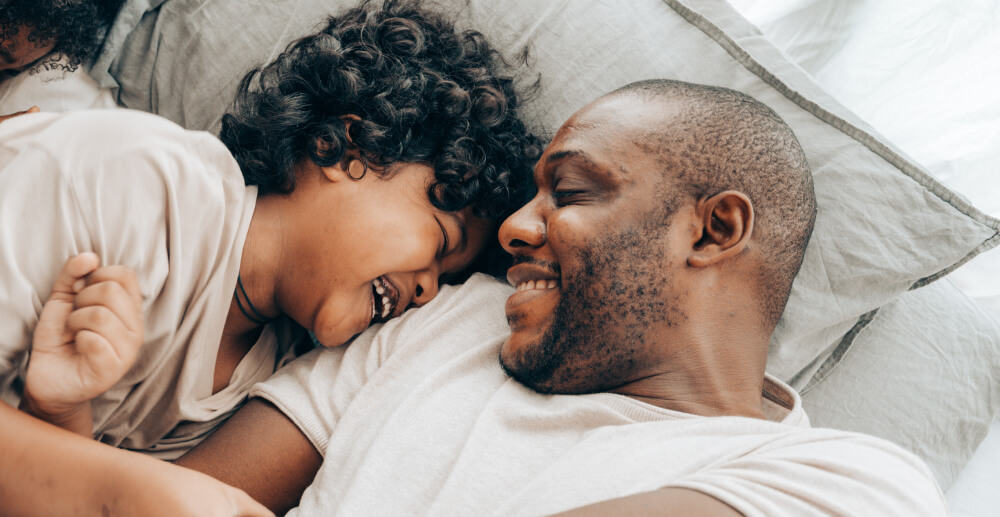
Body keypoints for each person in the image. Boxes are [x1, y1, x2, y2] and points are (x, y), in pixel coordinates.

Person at [175, 80, 948, 515]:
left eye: (571, 191)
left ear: (714, 231)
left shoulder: (851, 482)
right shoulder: (439, 323)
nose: (513, 225)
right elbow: (151, 503)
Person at [0, 1, 538, 515]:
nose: (425, 291)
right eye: (441, 243)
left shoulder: (265, 378)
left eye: (444, 281)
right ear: (348, 146)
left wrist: (61, 412)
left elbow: (59, 493)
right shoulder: (140, 183)